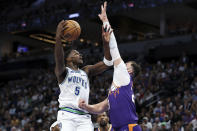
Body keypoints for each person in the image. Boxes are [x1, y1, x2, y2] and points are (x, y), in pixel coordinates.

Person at [79, 1, 142, 131]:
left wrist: (105, 21)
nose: (122, 64)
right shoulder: (117, 86)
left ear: (129, 70)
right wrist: (87, 107)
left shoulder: (124, 76)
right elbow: (102, 107)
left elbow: (114, 49)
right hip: (116, 128)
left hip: (128, 127)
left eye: (126, 65)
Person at [54, 18, 113, 130]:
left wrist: (106, 43)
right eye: (76, 53)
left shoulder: (86, 71)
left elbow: (108, 63)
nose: (80, 55)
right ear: (68, 58)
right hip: (67, 114)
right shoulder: (63, 72)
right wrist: (58, 37)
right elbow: (59, 58)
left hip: (84, 117)